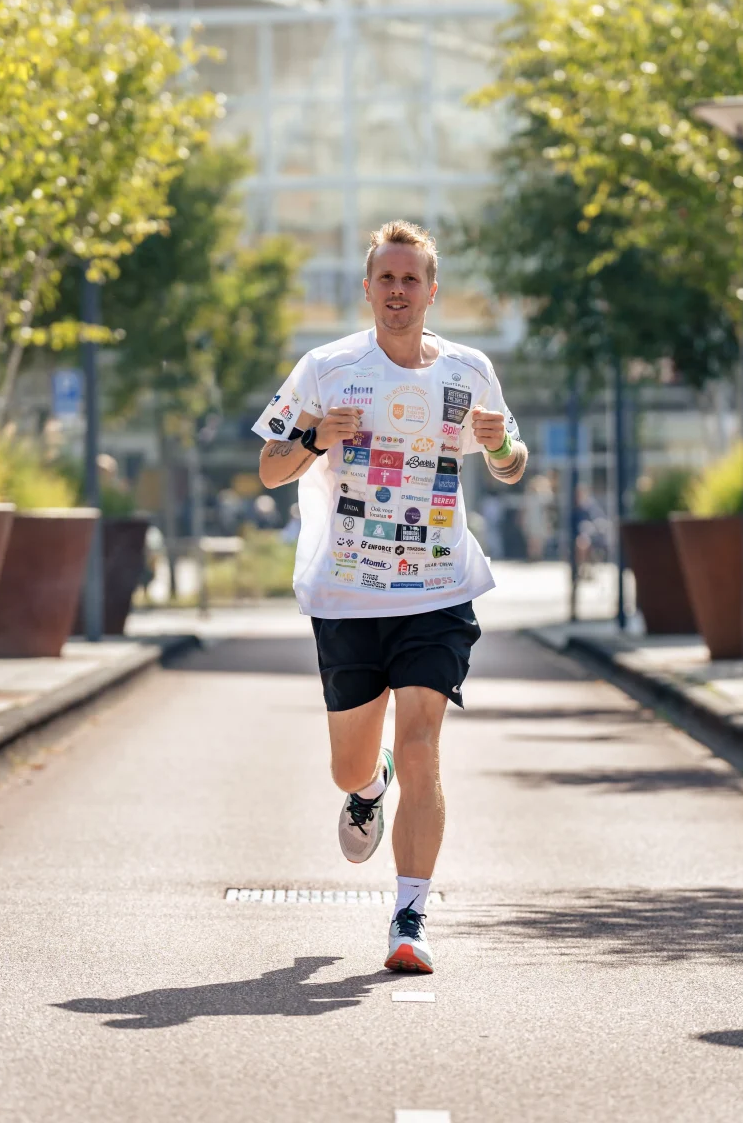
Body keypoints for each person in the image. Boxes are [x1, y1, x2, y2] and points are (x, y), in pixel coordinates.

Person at [255, 220, 528, 974]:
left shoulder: (468, 370)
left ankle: (408, 919)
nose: (400, 291)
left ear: (432, 291)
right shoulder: (327, 368)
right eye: (388, 279)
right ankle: (366, 787)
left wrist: (501, 444)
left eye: (413, 280)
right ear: (368, 288)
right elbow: (269, 468)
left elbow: (510, 463)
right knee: (352, 767)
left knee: (423, 746)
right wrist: (314, 436)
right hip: (349, 595)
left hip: (438, 588)